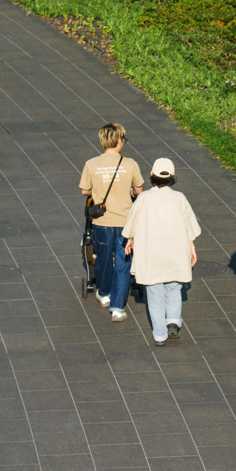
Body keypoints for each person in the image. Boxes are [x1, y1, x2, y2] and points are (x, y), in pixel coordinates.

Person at [123, 158, 201, 347]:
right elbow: (190, 227)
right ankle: (173, 320)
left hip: (151, 254)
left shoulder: (143, 199)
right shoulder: (179, 198)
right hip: (175, 252)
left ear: (152, 175)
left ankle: (159, 334)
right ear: (172, 178)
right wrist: (191, 246)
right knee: (174, 287)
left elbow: (131, 224)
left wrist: (130, 239)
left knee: (154, 292)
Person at [78, 124, 144, 323]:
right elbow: (139, 190)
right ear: (119, 141)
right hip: (125, 222)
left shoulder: (91, 164)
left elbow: (84, 190)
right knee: (123, 264)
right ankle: (117, 307)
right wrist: (129, 192)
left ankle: (104, 292)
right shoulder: (130, 164)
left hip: (102, 221)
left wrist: (97, 191)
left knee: (104, 258)